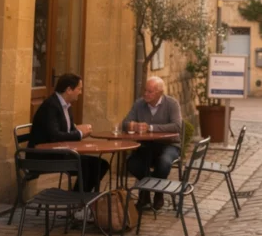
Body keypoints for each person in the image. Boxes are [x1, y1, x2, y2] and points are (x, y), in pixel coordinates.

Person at [29, 74, 109, 193]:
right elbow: (55, 136)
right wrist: (79, 133)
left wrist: (78, 130)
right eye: (79, 89)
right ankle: (78, 199)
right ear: (69, 90)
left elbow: (68, 131)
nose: (80, 92)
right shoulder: (50, 106)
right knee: (90, 166)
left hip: (59, 153)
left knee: (101, 164)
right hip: (45, 156)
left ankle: (77, 198)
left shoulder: (66, 106)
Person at [122, 76, 182, 210]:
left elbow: (177, 126)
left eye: (150, 92)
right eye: (145, 90)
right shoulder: (139, 104)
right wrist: (133, 125)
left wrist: (150, 127)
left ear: (160, 93)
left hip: (169, 144)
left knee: (164, 162)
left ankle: (157, 192)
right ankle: (147, 191)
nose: (146, 94)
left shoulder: (172, 104)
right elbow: (124, 124)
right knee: (132, 163)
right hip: (146, 145)